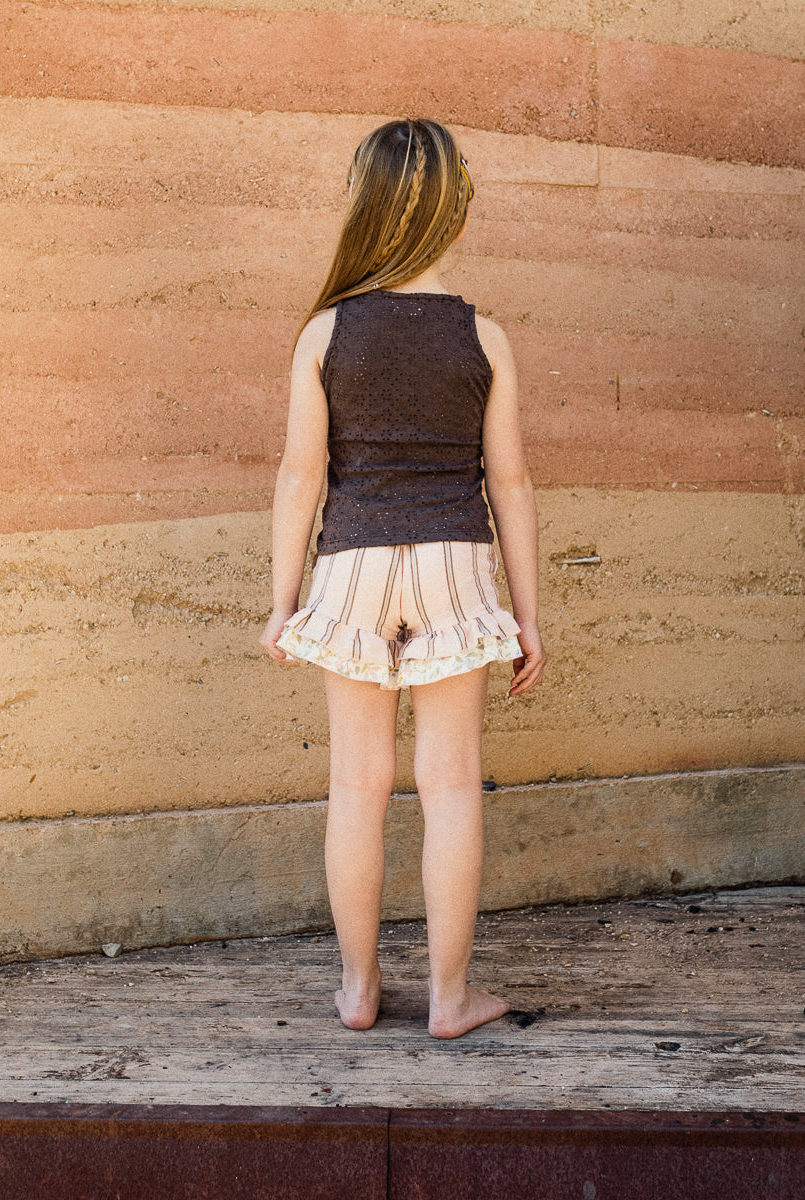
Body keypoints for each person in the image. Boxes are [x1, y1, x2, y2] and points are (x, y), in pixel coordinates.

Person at [260, 118, 546, 1039]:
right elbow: (509, 484)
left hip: (348, 567)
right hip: (456, 564)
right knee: (452, 786)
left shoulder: (325, 333)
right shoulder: (486, 336)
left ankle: (357, 988)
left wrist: (282, 601)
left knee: (358, 787)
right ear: (456, 212)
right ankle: (452, 998)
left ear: (366, 206)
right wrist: (528, 618)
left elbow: (302, 477)